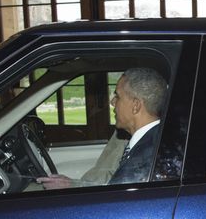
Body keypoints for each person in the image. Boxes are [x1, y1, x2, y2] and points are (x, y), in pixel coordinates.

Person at [37, 67, 168, 188]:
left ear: (136, 106)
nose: (112, 102)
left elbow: (113, 205)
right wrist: (71, 185)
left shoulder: (143, 161)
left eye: (117, 96)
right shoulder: (152, 141)